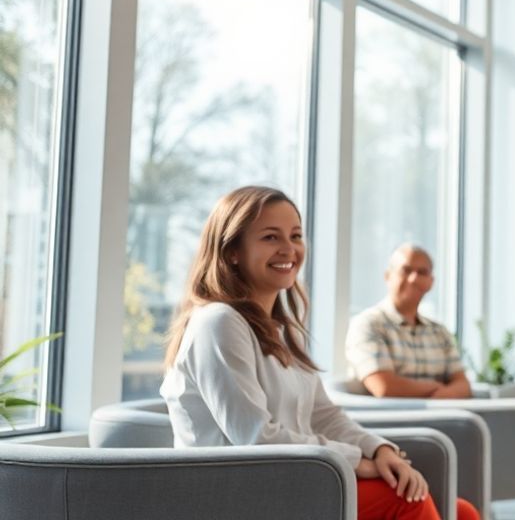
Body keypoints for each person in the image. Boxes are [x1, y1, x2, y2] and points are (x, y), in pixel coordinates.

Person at [161, 186, 476, 520]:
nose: (289, 249)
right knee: (407, 503)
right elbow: (256, 438)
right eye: (270, 237)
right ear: (232, 252)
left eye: (296, 236)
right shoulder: (218, 323)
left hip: (295, 479)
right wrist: (355, 461)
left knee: (460, 511)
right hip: (241, 496)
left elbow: (323, 415)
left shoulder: (281, 331)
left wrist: (377, 448)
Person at [346, 243, 472, 399]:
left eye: (422, 272)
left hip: (442, 415)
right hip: (388, 416)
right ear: (388, 276)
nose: (414, 279)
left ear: (431, 282)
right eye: (406, 270)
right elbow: (384, 387)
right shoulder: (367, 324)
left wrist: (438, 396)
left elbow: (463, 386)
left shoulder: (440, 332)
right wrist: (437, 389)